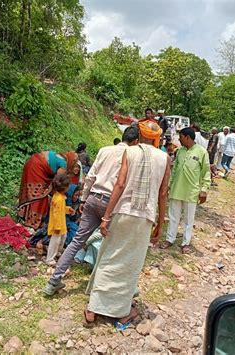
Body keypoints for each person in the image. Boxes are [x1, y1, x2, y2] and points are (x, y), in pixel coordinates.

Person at [84, 120, 171, 328]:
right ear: (157, 137)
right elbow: (163, 193)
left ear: (139, 135)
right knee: (131, 264)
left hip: (122, 212)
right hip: (144, 218)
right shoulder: (165, 158)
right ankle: (122, 313)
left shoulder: (129, 152)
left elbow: (120, 184)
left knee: (109, 257)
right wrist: (160, 223)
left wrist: (106, 217)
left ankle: (93, 308)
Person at [43, 126, 140, 295]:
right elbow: (123, 184)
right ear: (136, 142)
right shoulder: (133, 155)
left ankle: (53, 281)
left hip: (93, 197)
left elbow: (91, 176)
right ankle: (117, 287)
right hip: (112, 203)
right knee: (115, 245)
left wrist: (83, 198)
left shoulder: (104, 150)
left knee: (76, 242)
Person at [160, 127, 211, 253]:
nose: (179, 139)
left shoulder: (202, 152)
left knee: (189, 219)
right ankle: (169, 239)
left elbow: (206, 172)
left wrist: (204, 189)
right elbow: (175, 169)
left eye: (181, 137)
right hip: (177, 189)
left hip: (192, 191)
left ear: (187, 137)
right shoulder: (180, 151)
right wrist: (169, 185)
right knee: (173, 216)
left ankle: (185, 243)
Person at [18, 150, 78, 229]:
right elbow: (58, 183)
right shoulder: (63, 165)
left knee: (32, 191)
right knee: (40, 195)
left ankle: (24, 213)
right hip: (37, 168)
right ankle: (33, 220)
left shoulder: (60, 157)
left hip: (32, 161)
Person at [46, 175, 75, 266]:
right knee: (55, 241)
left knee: (63, 238)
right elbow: (56, 214)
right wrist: (57, 227)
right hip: (57, 225)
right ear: (65, 188)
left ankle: (58, 253)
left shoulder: (60, 197)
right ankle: (50, 258)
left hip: (61, 223)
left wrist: (68, 209)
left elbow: (61, 209)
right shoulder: (58, 199)